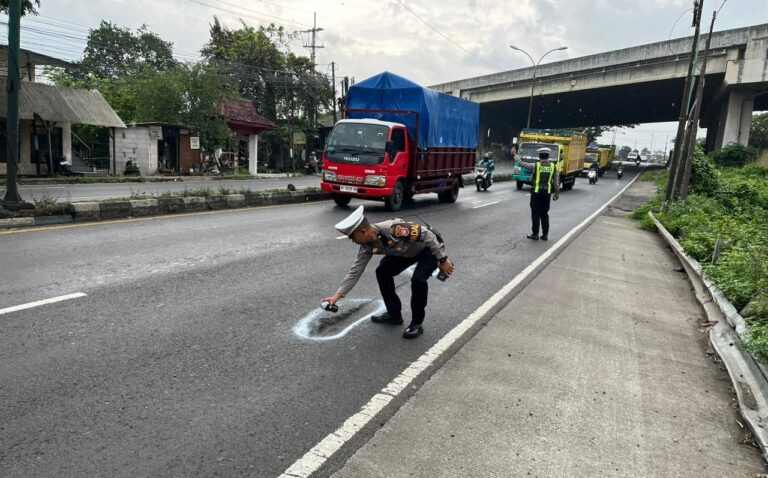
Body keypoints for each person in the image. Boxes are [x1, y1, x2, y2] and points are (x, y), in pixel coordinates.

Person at [321, 206, 454, 339]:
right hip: (406, 252)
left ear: (362, 232)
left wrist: (442, 259)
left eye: (353, 238)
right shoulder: (367, 246)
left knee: (418, 279)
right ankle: (394, 315)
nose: (353, 241)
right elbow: (355, 271)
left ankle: (416, 324)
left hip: (428, 249)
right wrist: (336, 297)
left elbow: (428, 235)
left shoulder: (393, 229)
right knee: (382, 272)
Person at [516, 147, 560, 241]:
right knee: (545, 214)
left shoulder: (535, 165)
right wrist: (556, 194)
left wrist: (515, 155)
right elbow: (556, 182)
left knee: (535, 213)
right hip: (546, 194)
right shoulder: (553, 166)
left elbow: (522, 164)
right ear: (548, 156)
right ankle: (545, 235)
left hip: (536, 193)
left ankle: (535, 234)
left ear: (540, 156)